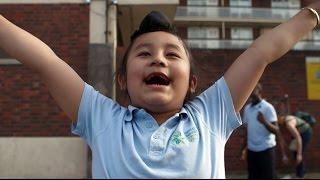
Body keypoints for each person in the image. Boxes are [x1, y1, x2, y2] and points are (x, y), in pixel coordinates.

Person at [0, 1, 320, 178]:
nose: (158, 60)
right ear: (123, 80)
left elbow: (261, 52)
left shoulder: (210, 113)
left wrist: (311, 15)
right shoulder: (101, 118)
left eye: (171, 54)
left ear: (192, 83)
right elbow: (44, 60)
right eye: (143, 53)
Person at [240, 83, 287, 179]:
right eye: (249, 92)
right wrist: (243, 149)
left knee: (267, 176)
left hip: (266, 149)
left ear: (259, 92)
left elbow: (277, 130)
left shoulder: (268, 108)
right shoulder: (247, 109)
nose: (251, 95)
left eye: (253, 92)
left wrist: (264, 122)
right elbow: (247, 131)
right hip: (252, 151)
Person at [278, 111, 313, 178]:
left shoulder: (289, 124)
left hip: (305, 133)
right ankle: (301, 172)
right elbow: (281, 140)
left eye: (277, 120)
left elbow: (298, 138)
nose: (276, 122)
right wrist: (284, 155)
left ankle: (300, 175)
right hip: (298, 133)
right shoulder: (280, 125)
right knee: (294, 151)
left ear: (280, 117)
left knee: (298, 154)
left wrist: (299, 154)